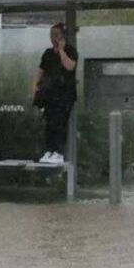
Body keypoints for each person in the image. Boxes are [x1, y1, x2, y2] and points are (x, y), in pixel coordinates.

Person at [33, 22, 78, 164]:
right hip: (50, 96)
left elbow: (70, 67)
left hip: (65, 96)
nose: (53, 38)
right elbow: (41, 71)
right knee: (49, 123)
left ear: (63, 35)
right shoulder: (47, 53)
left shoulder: (70, 50)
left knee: (60, 123)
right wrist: (35, 87)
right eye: (51, 35)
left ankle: (58, 152)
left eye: (56, 35)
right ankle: (49, 150)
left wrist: (61, 50)